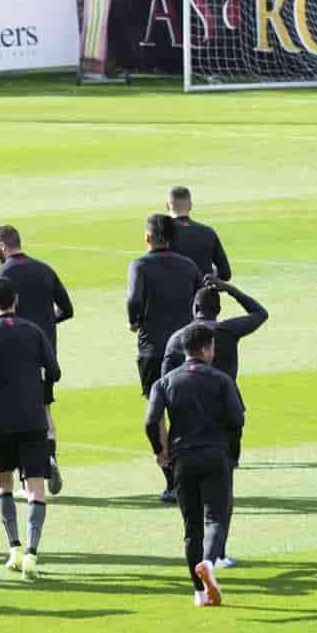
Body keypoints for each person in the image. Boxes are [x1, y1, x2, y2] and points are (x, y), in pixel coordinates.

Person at [162, 277, 268, 568]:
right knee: (224, 487)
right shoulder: (228, 330)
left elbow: (163, 386)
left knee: (191, 492)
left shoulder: (178, 339)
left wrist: (162, 438)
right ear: (218, 308)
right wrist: (229, 287)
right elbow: (260, 313)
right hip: (226, 417)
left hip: (187, 423)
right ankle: (217, 553)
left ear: (194, 307)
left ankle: (198, 553)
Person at [144, 326, 244, 607]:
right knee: (216, 518)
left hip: (182, 459)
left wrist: (160, 451)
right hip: (215, 456)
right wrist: (230, 454)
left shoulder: (165, 382)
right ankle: (210, 563)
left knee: (191, 528)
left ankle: (199, 593)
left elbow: (151, 422)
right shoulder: (222, 379)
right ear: (205, 349)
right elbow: (237, 420)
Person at [0, 277, 61, 580]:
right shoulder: (34, 331)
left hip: (0, 420)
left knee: (3, 483)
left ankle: (14, 549)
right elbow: (55, 371)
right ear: (16, 301)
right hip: (34, 418)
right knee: (36, 487)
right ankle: (33, 554)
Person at [0, 224, 73, 495]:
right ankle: (48, 457)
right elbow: (67, 309)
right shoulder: (44, 269)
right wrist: (46, 325)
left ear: (2, 245)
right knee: (44, 409)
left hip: (12, 359)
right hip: (45, 356)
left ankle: (26, 476)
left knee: (16, 416)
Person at [127, 213, 204, 502]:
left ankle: (172, 479)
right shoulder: (188, 265)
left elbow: (134, 300)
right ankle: (190, 474)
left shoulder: (140, 265)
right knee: (184, 410)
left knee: (157, 411)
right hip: (185, 346)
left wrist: (134, 320)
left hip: (152, 347)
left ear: (148, 237)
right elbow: (201, 299)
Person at [165, 186, 231, 280]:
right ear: (191, 206)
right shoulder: (208, 232)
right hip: (204, 292)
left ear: (167, 206)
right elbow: (225, 273)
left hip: (174, 293)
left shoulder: (162, 233)